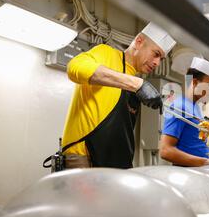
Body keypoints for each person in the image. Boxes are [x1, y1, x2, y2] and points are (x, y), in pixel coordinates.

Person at [60, 22, 176, 169]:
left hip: (116, 164)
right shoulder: (106, 54)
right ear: (139, 42)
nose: (157, 63)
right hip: (84, 159)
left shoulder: (136, 82)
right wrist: (136, 84)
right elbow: (74, 67)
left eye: (161, 59)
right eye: (156, 54)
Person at [160, 57, 209, 167]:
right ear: (194, 82)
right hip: (186, 174)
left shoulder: (196, 107)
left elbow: (194, 145)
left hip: (199, 170)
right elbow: (166, 151)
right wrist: (205, 162)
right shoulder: (180, 106)